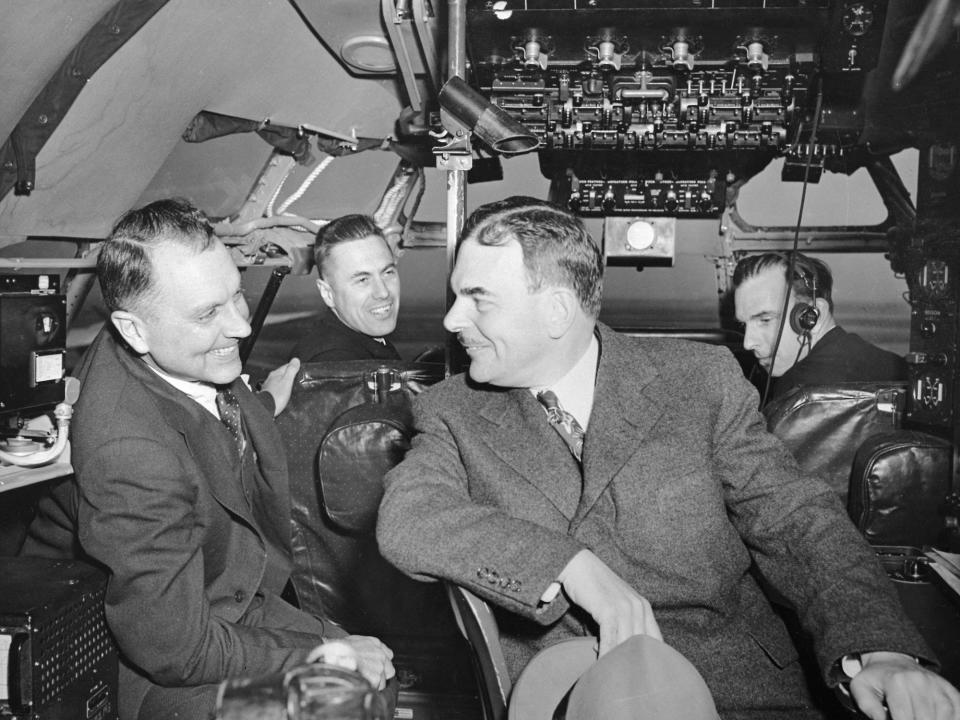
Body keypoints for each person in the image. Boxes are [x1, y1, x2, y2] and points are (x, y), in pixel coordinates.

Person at [377, 196, 960, 720]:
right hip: (565, 694)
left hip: (733, 688)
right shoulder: (450, 410)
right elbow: (410, 517)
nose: (452, 320)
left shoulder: (698, 380)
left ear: (556, 311)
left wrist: (883, 650)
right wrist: (571, 567)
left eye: (476, 298)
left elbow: (798, 522)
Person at [21, 198, 395, 720]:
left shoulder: (173, 346)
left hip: (226, 600)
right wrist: (317, 654)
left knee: (378, 677)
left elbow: (208, 424)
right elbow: (174, 650)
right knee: (341, 697)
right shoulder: (129, 452)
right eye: (209, 314)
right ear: (133, 330)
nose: (240, 326)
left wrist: (264, 402)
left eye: (236, 296)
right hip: (147, 668)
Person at [732, 251, 907, 402]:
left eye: (765, 320)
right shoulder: (898, 367)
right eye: (743, 324)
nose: (748, 343)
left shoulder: (795, 389)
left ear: (811, 316)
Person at [289, 214, 402, 363]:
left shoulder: (362, 341)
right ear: (327, 294)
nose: (383, 292)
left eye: (388, 273)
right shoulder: (336, 361)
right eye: (362, 280)